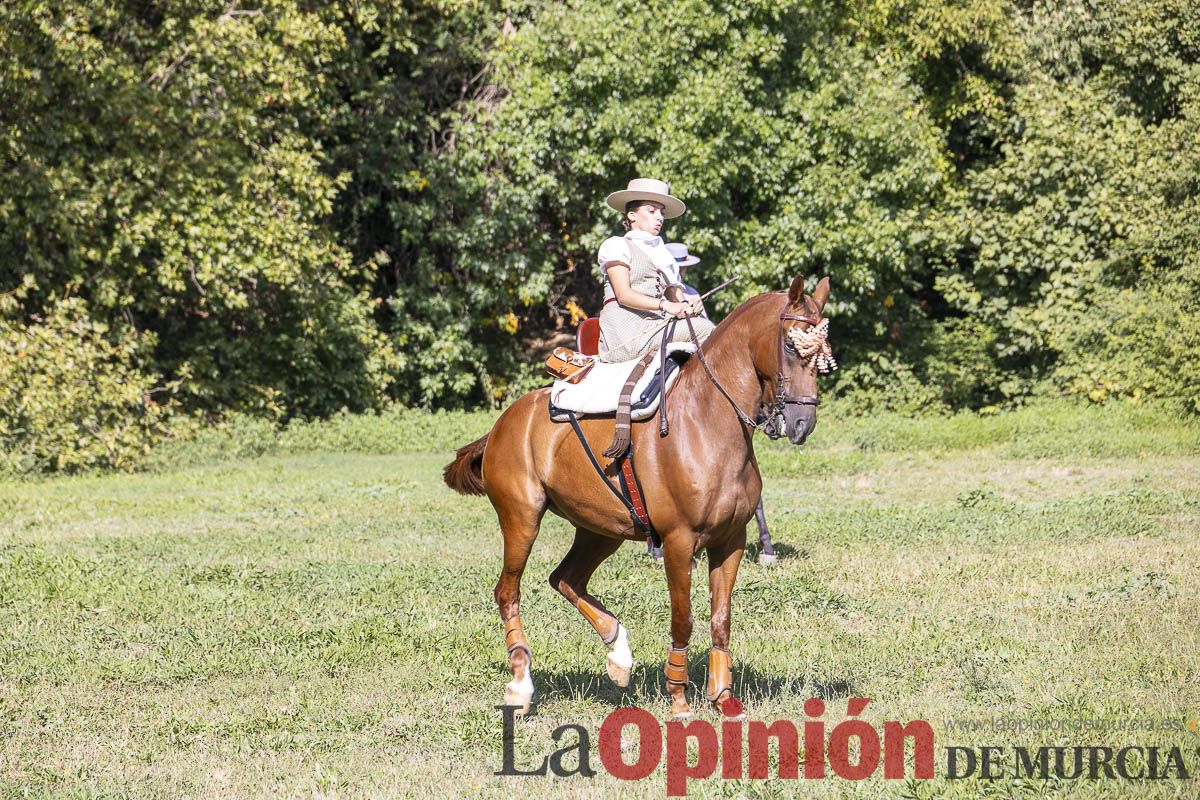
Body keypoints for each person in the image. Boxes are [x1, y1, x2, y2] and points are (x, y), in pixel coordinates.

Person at [596, 179, 713, 362]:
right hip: (626, 334)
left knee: (706, 326)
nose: (659, 217)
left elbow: (677, 298)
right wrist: (667, 306)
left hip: (657, 328)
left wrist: (688, 307)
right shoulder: (616, 245)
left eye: (661, 212)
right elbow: (624, 295)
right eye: (651, 211)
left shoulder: (662, 254)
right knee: (705, 329)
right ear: (632, 215)